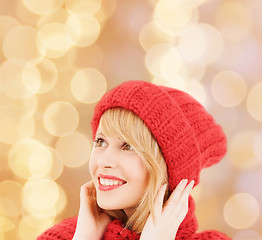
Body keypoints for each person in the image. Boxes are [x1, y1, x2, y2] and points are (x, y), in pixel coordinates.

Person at [37, 80, 231, 240]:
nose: (104, 160)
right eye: (100, 142)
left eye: (128, 146)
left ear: (169, 170)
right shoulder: (63, 236)